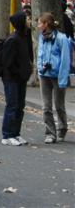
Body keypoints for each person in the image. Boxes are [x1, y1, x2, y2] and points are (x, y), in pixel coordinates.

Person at [37, 12, 71, 144]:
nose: (38, 25)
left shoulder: (61, 39)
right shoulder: (41, 37)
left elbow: (65, 60)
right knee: (46, 106)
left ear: (46, 24)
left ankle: (62, 128)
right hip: (44, 75)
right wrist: (40, 68)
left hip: (57, 76)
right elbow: (40, 54)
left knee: (59, 105)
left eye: (40, 23)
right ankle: (50, 133)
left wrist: (63, 80)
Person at [1, 12, 32, 146]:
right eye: (27, 19)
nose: (29, 21)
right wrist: (19, 72)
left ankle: (16, 133)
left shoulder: (24, 37)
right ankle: (7, 135)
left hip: (21, 78)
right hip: (12, 78)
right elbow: (7, 63)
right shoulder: (13, 39)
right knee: (12, 105)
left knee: (20, 106)